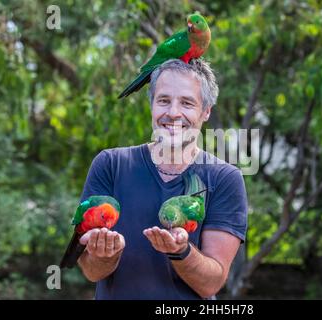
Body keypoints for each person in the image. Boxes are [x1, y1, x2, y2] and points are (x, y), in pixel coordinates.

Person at [77, 59, 248, 299]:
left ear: (206, 111)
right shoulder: (110, 165)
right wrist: (106, 255)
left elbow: (211, 283)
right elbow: (90, 271)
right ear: (152, 105)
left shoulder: (225, 179)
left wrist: (181, 251)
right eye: (164, 100)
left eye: (187, 103)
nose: (173, 113)